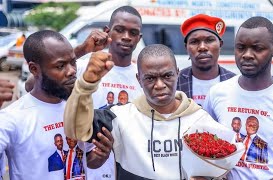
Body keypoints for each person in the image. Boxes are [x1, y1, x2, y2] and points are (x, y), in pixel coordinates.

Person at [63, 44, 232, 179]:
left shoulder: (199, 118)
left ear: (177, 74)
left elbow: (221, 168)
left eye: (167, 76)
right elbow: (75, 130)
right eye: (150, 78)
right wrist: (85, 85)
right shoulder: (120, 117)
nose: (159, 85)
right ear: (138, 79)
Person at [203, 16, 273, 179]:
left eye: (257, 48)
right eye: (241, 47)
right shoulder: (216, 93)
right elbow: (206, 147)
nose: (247, 55)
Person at [0, 30, 110, 180]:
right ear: (34, 69)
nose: (71, 71)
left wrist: (101, 154)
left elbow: (88, 159)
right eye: (60, 66)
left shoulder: (79, 108)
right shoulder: (12, 118)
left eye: (73, 62)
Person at [75, 6, 144, 179]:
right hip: (88, 168)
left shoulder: (143, 76)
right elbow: (34, 84)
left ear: (139, 38)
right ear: (107, 32)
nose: (126, 37)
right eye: (119, 30)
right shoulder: (85, 65)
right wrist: (83, 49)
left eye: (133, 32)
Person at [177, 14, 235, 106]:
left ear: (220, 45)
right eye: (194, 42)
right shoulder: (175, 82)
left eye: (209, 40)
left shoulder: (234, 82)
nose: (202, 47)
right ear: (186, 48)